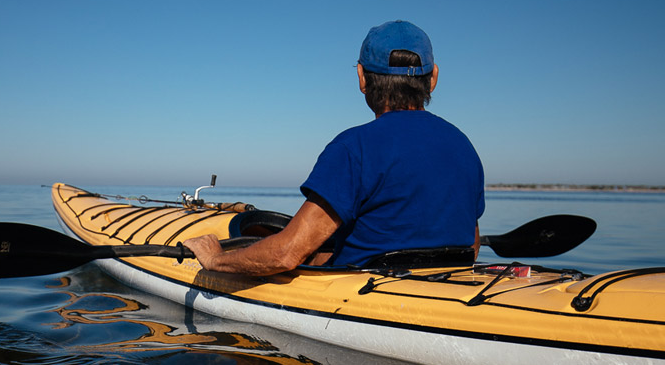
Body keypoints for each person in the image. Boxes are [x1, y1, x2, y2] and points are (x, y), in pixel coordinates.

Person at [183, 20, 485, 274]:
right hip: (450, 294)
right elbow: (471, 247)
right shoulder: (463, 147)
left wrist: (215, 258)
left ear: (362, 78)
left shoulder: (354, 148)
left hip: (363, 301)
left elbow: (286, 254)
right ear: (433, 79)